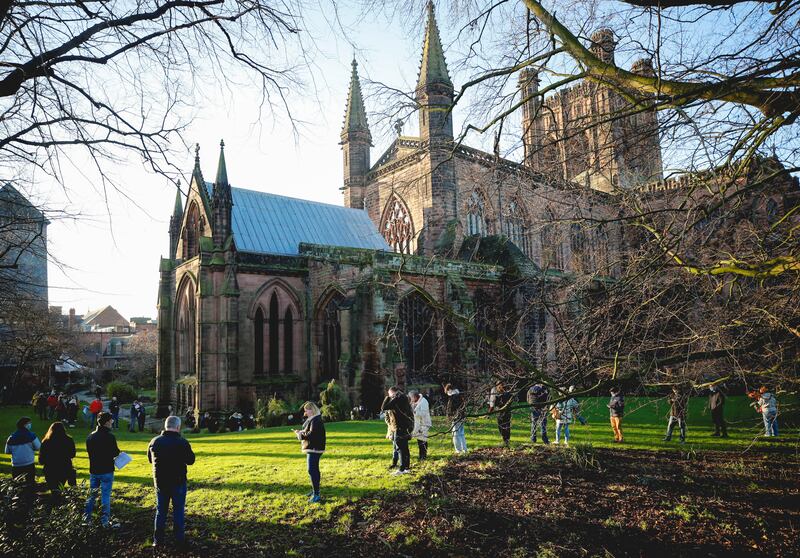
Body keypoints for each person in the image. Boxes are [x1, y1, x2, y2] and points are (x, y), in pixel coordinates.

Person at [148, 416, 196, 548]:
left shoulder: (154, 441)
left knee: (161, 511)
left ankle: (158, 540)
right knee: (178, 511)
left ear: (165, 426)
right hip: (178, 482)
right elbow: (191, 460)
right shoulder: (182, 442)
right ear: (178, 427)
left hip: (160, 482)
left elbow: (150, 460)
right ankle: (179, 540)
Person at [84, 411, 121, 528]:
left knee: (92, 495)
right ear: (106, 422)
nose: (112, 422)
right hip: (106, 470)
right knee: (105, 496)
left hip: (94, 470)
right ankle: (104, 521)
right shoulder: (110, 437)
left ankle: (86, 519)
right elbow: (115, 452)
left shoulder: (90, 437)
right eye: (111, 421)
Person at [293, 402, 326, 503]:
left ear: (312, 410)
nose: (305, 412)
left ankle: (316, 494)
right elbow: (310, 432)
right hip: (314, 447)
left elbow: (311, 435)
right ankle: (315, 491)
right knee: (313, 470)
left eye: (307, 410)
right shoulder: (314, 419)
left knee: (312, 470)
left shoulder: (315, 420)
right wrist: (301, 432)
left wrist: (300, 434)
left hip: (314, 448)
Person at [381, 387, 414, 474]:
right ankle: (406, 468)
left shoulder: (398, 398)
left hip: (399, 427)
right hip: (406, 426)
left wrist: (388, 397)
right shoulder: (404, 397)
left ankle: (401, 469)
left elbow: (384, 407)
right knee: (405, 448)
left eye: (390, 394)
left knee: (400, 448)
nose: (389, 396)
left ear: (393, 393)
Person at [38, 421, 77, 494]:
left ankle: (54, 501)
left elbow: (42, 456)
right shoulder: (68, 440)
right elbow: (72, 454)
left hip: (50, 468)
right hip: (64, 466)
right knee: (60, 487)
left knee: (53, 488)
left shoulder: (46, 441)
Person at [4, 416, 41, 487]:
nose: (30, 424)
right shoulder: (31, 435)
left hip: (16, 464)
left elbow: (7, 451)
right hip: (29, 463)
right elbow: (38, 447)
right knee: (30, 483)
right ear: (25, 425)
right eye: (29, 423)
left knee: (16, 485)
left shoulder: (11, 437)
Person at [488, 382, 513, 447]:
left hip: (501, 411)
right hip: (507, 411)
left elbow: (492, 404)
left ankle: (505, 441)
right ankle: (507, 440)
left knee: (502, 426)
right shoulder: (508, 392)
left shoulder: (497, 392)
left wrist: (489, 413)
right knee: (507, 426)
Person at [409, 389, 431, 460]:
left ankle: (423, 456)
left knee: (423, 440)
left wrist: (414, 412)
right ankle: (421, 455)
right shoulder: (416, 402)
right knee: (419, 440)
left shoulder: (423, 401)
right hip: (418, 424)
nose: (411, 400)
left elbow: (423, 413)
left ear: (415, 396)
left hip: (424, 424)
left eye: (411, 398)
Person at [445, 384, 468, 454]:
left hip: (455, 417)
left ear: (448, 390)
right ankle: (464, 449)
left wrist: (449, 417)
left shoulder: (452, 398)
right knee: (461, 433)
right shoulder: (459, 396)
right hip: (461, 416)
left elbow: (450, 409)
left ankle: (458, 450)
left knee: (455, 434)